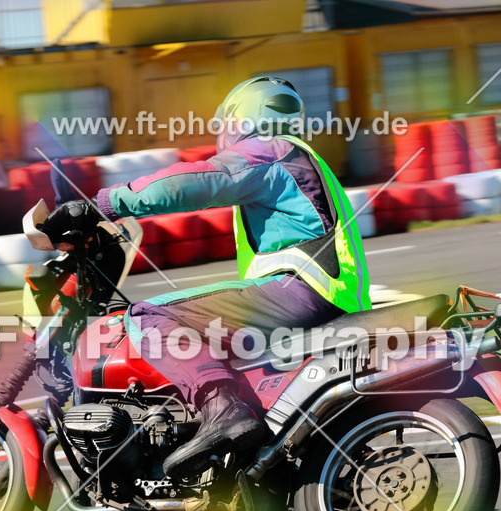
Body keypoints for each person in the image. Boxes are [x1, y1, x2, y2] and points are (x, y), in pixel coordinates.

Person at [51, 77, 371, 479]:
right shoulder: (297, 157)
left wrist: (100, 205)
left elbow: (198, 181)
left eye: (227, 123)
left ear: (243, 117)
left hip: (302, 291)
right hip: (322, 296)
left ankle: (222, 409)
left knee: (148, 315)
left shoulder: (268, 151)